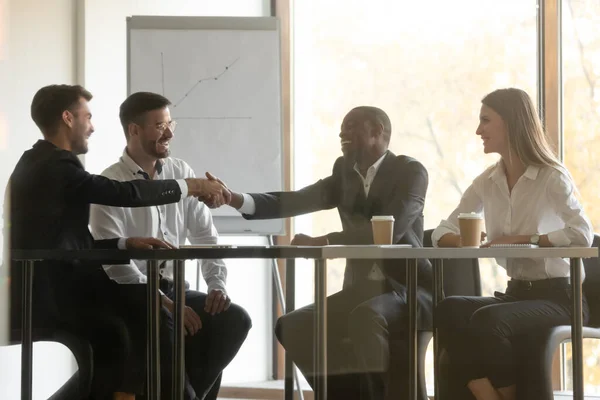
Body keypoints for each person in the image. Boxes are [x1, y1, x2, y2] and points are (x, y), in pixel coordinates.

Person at [8, 84, 229, 400]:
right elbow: (125, 193)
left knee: (138, 326)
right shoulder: (56, 166)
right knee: (150, 317)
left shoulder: (40, 161)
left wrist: (125, 244)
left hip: (54, 284)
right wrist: (190, 185)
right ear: (68, 118)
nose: (93, 126)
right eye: (88, 116)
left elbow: (66, 243)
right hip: (49, 294)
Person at [209, 106, 433, 400]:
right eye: (342, 127)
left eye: (351, 126)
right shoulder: (344, 172)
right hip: (364, 290)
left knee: (366, 318)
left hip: (409, 288)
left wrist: (325, 239)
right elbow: (298, 199)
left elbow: (392, 228)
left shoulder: (410, 171)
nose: (342, 133)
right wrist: (236, 199)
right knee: (293, 326)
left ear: (377, 131)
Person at [432, 88, 593, 400]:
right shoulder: (487, 181)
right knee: (448, 309)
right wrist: (466, 240)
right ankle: (488, 394)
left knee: (488, 320)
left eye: (485, 121)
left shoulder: (552, 177)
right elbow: (441, 230)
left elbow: (582, 234)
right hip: (516, 294)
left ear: (511, 123)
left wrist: (526, 239)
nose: (478, 130)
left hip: (561, 298)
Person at [89, 91, 252, 400]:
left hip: (176, 286)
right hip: (133, 294)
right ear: (134, 129)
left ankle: (184, 395)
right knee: (168, 323)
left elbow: (205, 235)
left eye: (170, 123)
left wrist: (216, 282)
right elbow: (114, 262)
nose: (170, 132)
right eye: (160, 125)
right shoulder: (109, 184)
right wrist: (163, 301)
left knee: (234, 319)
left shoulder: (181, 172)